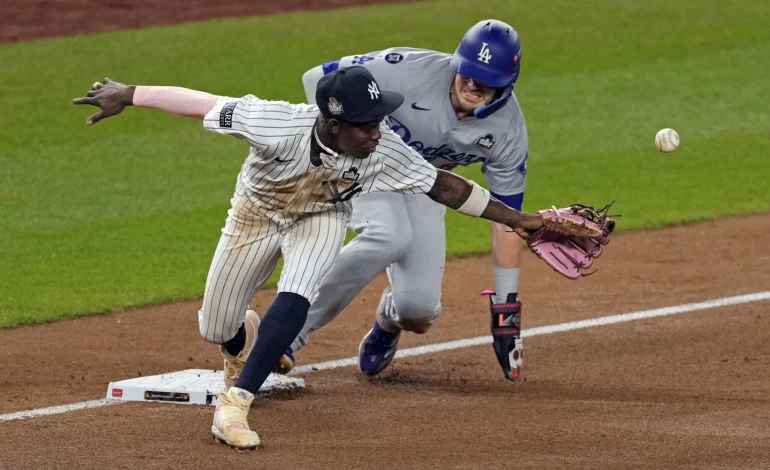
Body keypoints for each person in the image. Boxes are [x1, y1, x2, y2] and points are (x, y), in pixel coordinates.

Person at [72, 66, 547, 449]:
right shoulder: (274, 123)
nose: (378, 133)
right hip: (255, 216)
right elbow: (203, 104)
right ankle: (245, 341)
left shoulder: (383, 150)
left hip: (320, 217)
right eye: (367, 125)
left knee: (298, 289)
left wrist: (519, 220)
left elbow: (445, 184)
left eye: (379, 121)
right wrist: (130, 93)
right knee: (216, 328)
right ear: (334, 124)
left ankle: (236, 403)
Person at [283, 19, 529, 380]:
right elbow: (315, 78)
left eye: (486, 79)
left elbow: (508, 219)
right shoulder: (405, 70)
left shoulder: (508, 130)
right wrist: (331, 143)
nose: (473, 83)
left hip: (428, 187)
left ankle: (388, 321)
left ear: (506, 86)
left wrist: (506, 309)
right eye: (468, 71)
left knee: (419, 309)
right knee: (388, 235)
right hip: (368, 166)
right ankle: (287, 333)